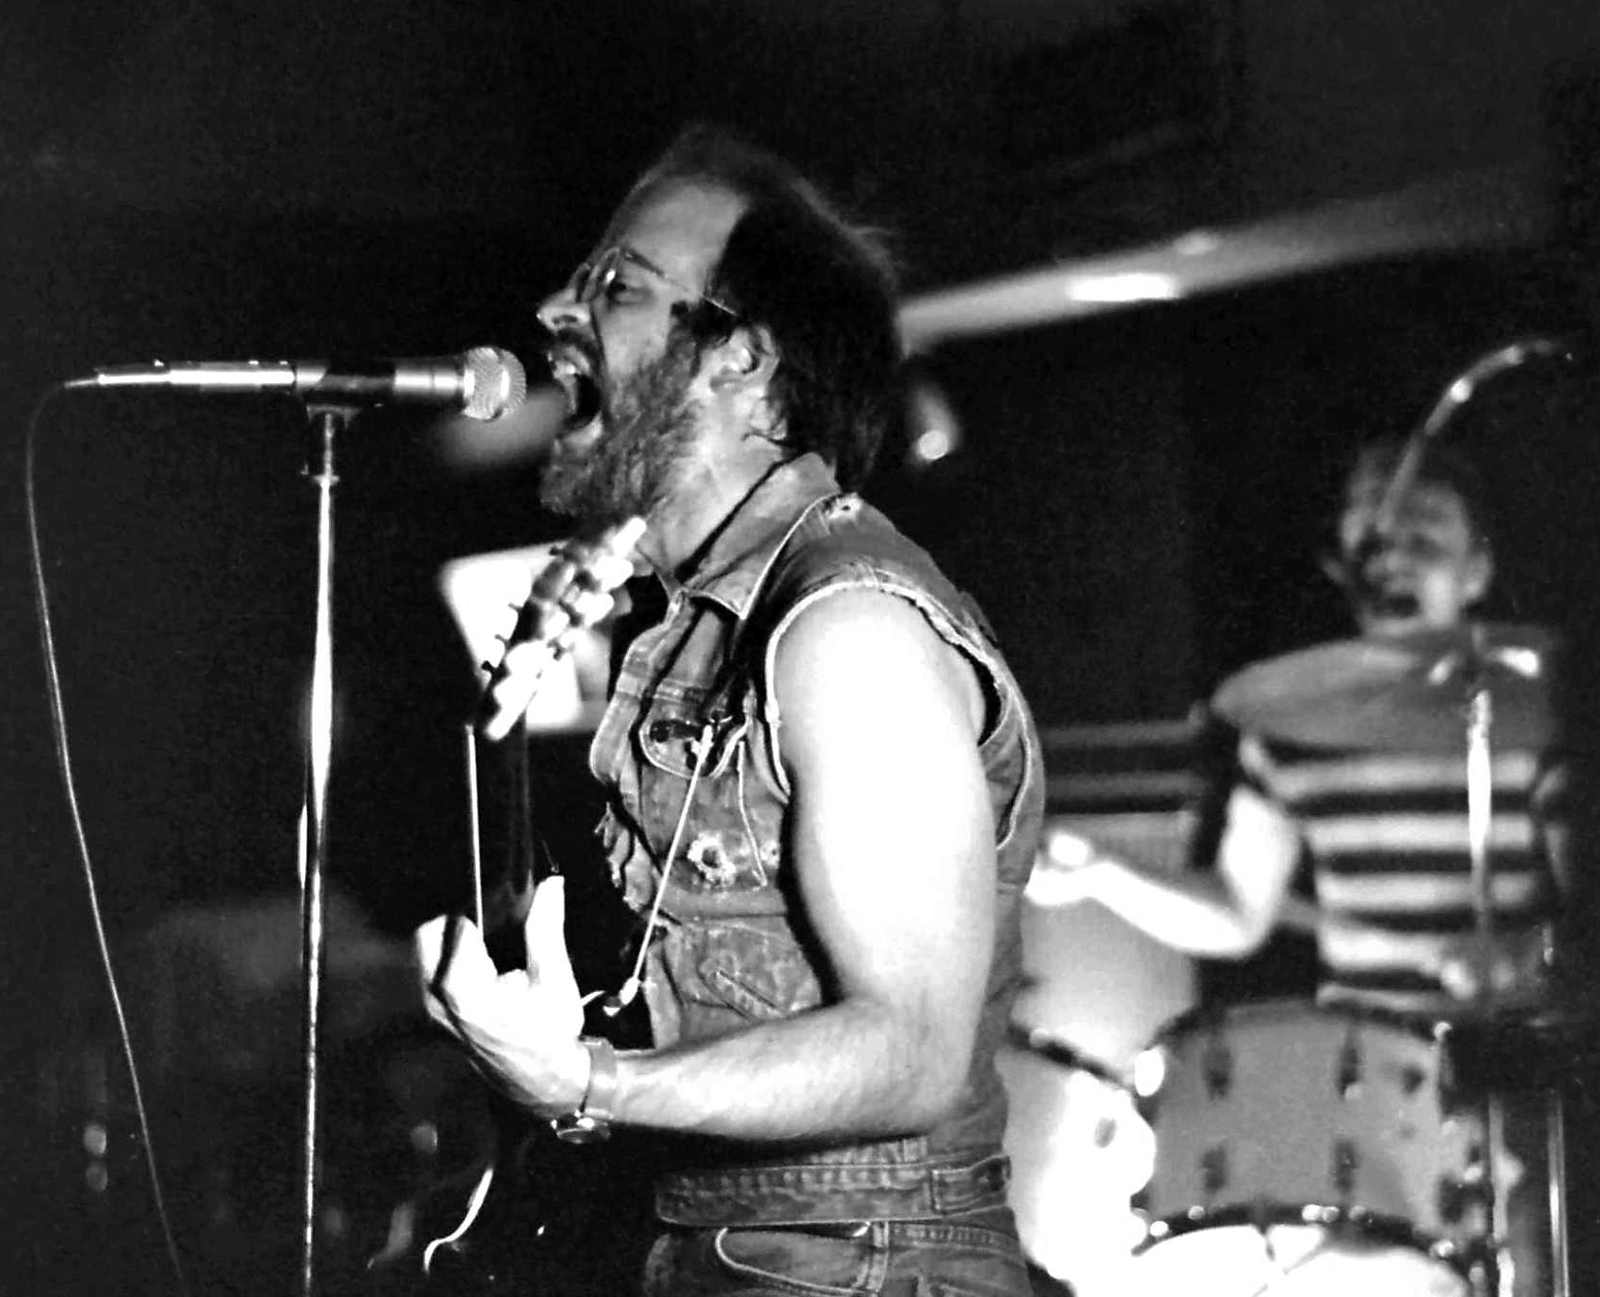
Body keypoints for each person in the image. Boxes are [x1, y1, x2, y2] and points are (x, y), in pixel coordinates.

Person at [416, 126, 1045, 1296]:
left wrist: (587, 1082)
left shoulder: (849, 627)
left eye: (619, 286)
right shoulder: (692, 620)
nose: (556, 310)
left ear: (741, 359)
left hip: (858, 1266)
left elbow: (911, 1048)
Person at [1028, 435, 1584, 1297]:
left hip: (1517, 1086)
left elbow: (1590, 923)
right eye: (1373, 530)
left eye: (1425, 528)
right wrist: (1101, 869)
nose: (1395, 549)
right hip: (1365, 1096)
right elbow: (1235, 913)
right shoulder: (1292, 728)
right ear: (1342, 561)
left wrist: (1525, 954)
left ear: (1478, 567)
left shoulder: (1546, 720)